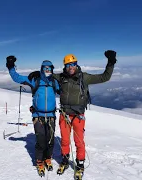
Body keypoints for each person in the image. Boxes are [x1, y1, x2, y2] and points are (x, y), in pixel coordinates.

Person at [28, 50, 117, 180]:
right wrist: (38, 73)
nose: (71, 67)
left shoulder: (84, 77)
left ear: (76, 64)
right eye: (68, 65)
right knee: (64, 140)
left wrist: (111, 62)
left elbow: (104, 77)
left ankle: (80, 164)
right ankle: (65, 160)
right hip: (64, 114)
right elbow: (49, 75)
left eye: (73, 64)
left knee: (79, 141)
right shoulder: (61, 77)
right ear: (65, 66)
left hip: (78, 115)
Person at [6, 55, 60, 177]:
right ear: (41, 69)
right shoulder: (34, 80)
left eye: (49, 69)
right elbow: (17, 78)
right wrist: (10, 66)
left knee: (50, 140)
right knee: (41, 140)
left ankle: (47, 158)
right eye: (45, 69)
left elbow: (65, 88)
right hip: (38, 116)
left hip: (51, 115)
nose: (47, 71)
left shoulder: (54, 82)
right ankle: (39, 161)